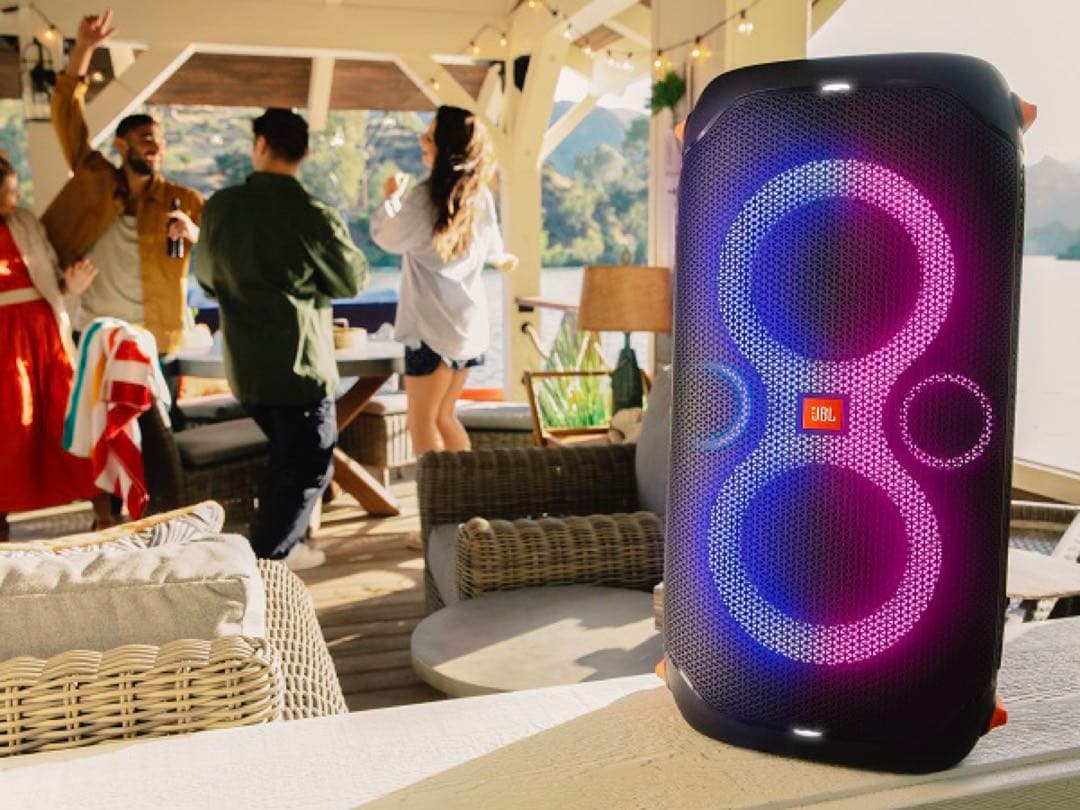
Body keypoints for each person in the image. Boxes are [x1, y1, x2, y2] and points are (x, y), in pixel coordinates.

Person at [195, 108, 369, 570]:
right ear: (305, 152)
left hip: (247, 369)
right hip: (299, 366)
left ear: (260, 144)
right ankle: (264, 564)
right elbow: (352, 280)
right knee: (310, 465)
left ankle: (276, 553)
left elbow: (207, 280)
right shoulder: (312, 214)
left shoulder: (220, 209)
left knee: (287, 463)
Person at [41, 9, 203, 418]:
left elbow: (222, 250)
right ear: (121, 146)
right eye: (145, 138)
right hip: (93, 336)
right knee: (93, 431)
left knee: (158, 435)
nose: (155, 147)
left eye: (159, 141)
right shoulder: (93, 178)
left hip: (155, 342)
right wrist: (83, 49)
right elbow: (66, 111)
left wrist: (194, 234)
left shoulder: (183, 200)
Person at [370, 105, 516, 456]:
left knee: (421, 422)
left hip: (429, 328)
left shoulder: (424, 199)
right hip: (466, 327)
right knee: (445, 417)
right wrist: (503, 259)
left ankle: (435, 491)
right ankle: (466, 487)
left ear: (444, 146)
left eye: (430, 136)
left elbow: (389, 237)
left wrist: (390, 199)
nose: (422, 140)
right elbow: (493, 248)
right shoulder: (479, 198)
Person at [0, 154, 112, 539]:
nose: (17, 199)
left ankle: (103, 512)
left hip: (45, 332)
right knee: (10, 425)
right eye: (9, 193)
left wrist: (72, 286)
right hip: (5, 341)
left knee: (68, 415)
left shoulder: (25, 221)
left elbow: (50, 277)